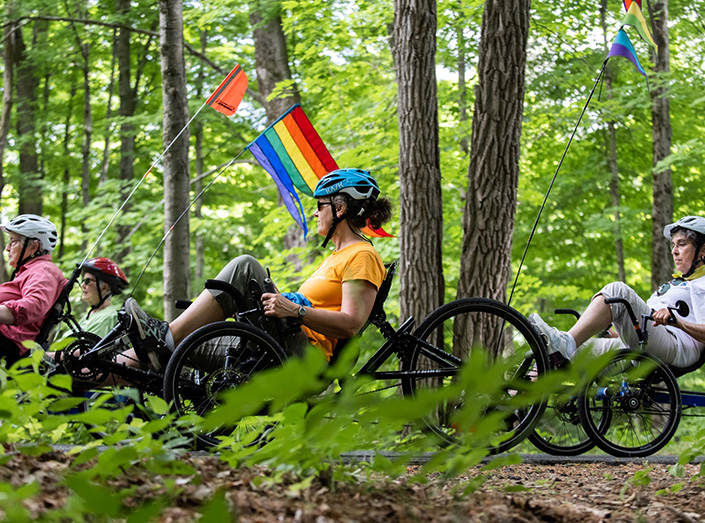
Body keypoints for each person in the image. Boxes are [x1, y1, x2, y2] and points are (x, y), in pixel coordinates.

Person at [123, 168, 393, 370]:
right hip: (287, 341)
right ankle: (91, 372)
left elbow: (351, 324)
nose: (315, 213)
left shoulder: (362, 255)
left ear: (340, 208)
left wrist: (294, 310)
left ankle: (165, 336)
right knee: (180, 344)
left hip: (307, 356)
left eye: (320, 206)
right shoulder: (336, 257)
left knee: (245, 266)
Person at [530, 216, 705, 369]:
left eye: (681, 245)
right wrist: (612, 333)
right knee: (560, 356)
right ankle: (511, 402)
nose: (674, 251)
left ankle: (565, 342)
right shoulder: (682, 283)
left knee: (618, 291)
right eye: (673, 245)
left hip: (677, 345)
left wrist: (677, 322)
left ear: (702, 250)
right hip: (648, 339)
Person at [0, 214, 65, 365]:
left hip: (11, 341)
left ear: (34, 247)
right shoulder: (28, 271)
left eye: (13, 241)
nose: (7, 247)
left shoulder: (44, 270)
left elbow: (33, 306)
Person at [67, 258, 128, 339]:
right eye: (83, 280)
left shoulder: (107, 317)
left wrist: (49, 352)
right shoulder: (91, 315)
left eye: (87, 281)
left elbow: (88, 350)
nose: (82, 285)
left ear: (104, 288)